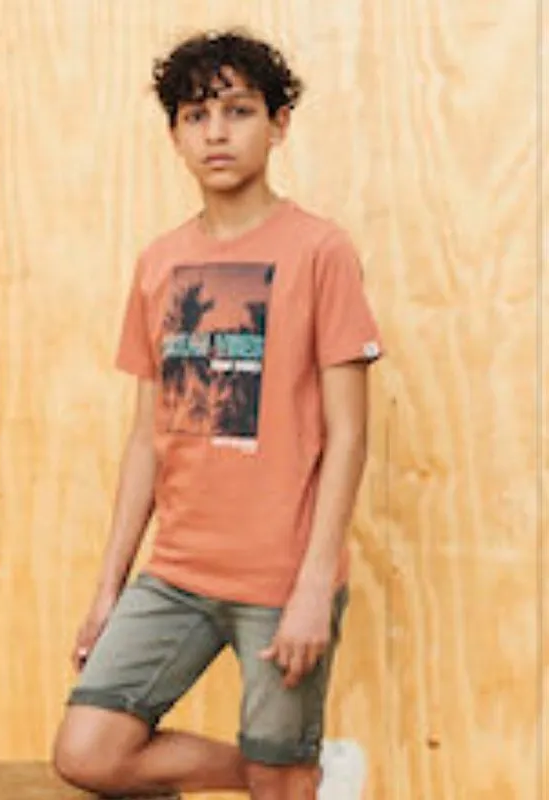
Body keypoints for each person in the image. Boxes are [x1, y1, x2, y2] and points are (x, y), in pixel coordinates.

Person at [52, 28, 383, 800]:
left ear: (278, 124)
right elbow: (147, 438)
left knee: (277, 782)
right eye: (196, 116)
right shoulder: (159, 262)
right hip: (177, 571)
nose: (216, 133)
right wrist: (109, 588)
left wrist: (313, 586)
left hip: (280, 574)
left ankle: (289, 775)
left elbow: (349, 435)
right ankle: (308, 774)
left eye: (238, 111)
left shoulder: (319, 250)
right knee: (88, 753)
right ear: (174, 135)